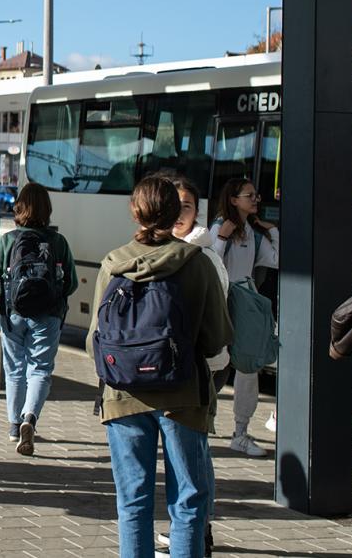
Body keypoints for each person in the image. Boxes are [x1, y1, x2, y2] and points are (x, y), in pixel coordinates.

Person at [90, 176, 231, 558]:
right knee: (188, 500)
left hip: (122, 395)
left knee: (132, 501)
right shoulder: (197, 264)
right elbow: (217, 339)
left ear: (135, 212)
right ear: (176, 213)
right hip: (182, 395)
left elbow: (94, 342)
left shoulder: (113, 263)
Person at [0, 183, 77, 456]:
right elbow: (71, 282)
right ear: (47, 210)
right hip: (48, 315)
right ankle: (30, 418)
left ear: (19, 208)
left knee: (15, 369)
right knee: (40, 369)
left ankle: (15, 426)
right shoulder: (58, 242)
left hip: (13, 313)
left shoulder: (9, 240)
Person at [160, 173, 225, 558]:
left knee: (193, 457)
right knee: (185, 456)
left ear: (197, 212)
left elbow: (216, 323)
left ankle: (199, 529)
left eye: (186, 206)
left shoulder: (204, 256)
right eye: (174, 205)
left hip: (197, 370)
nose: (179, 213)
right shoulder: (166, 249)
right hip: (171, 371)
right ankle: (190, 529)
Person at [208, 176, 277, 458]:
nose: (256, 199)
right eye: (250, 196)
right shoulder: (219, 228)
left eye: (255, 195)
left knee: (248, 367)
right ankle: (202, 421)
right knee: (215, 366)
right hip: (223, 302)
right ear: (234, 199)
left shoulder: (252, 231)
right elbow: (212, 263)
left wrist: (272, 230)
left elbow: (276, 260)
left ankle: (241, 432)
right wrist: (223, 237)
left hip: (245, 302)